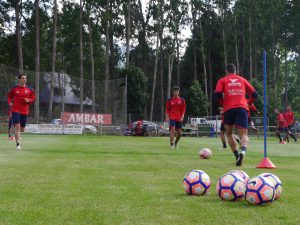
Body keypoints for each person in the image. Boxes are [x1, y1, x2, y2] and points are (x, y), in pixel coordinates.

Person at [215, 63, 257, 166]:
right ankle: (243, 151)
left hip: (228, 109)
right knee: (243, 135)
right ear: (236, 71)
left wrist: (222, 103)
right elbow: (254, 94)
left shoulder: (222, 80)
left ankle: (237, 156)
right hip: (242, 108)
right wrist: (248, 103)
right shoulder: (242, 79)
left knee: (229, 133)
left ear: (226, 71)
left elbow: (218, 94)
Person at [7, 73, 36, 150]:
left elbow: (33, 98)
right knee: (17, 127)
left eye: (25, 78)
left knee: (22, 129)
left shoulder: (29, 89)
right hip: (15, 110)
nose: (24, 80)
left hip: (25, 111)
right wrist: (10, 102)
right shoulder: (14, 88)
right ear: (19, 79)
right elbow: (9, 96)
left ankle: (18, 135)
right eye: (23, 78)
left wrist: (28, 100)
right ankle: (17, 144)